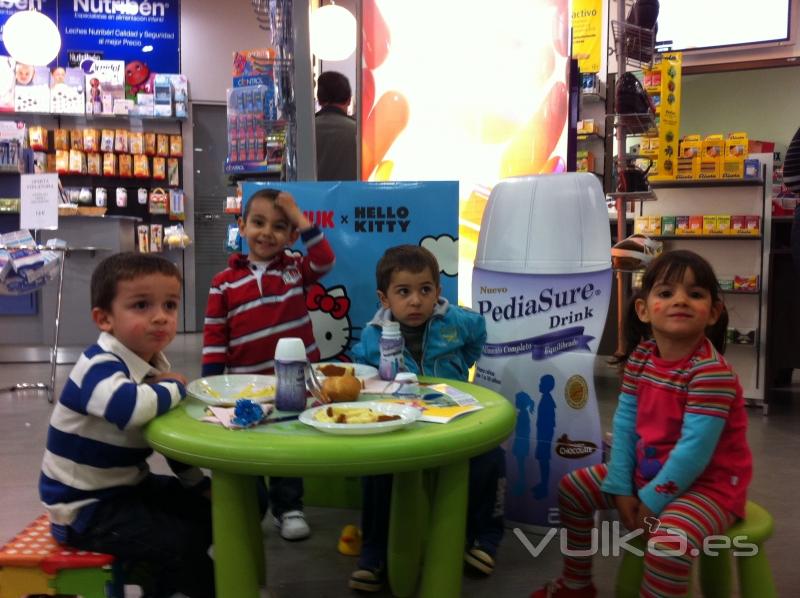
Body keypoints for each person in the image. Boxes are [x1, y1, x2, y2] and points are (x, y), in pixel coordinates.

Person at [531, 250, 752, 598]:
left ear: (713, 312)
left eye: (695, 294)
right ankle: (577, 585)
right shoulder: (642, 358)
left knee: (666, 544)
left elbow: (693, 453)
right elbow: (625, 424)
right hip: (647, 473)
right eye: (666, 292)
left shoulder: (711, 373)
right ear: (643, 309)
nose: (681, 300)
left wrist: (649, 501)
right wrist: (620, 485)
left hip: (709, 486)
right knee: (574, 488)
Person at [39, 253, 215, 598]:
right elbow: (128, 408)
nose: (161, 317)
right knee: (181, 543)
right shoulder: (98, 364)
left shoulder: (153, 365)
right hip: (84, 509)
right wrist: (175, 386)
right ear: (104, 319)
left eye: (170, 305)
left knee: (214, 511)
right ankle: (178, 577)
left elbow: (171, 440)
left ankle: (160, 573)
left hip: (128, 488)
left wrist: (197, 486)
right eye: (141, 306)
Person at [348, 244, 505, 592]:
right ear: (384, 298)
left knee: (490, 456)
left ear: (438, 291)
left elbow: (477, 334)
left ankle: (484, 537)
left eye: (425, 290)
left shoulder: (456, 321)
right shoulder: (373, 336)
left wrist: (461, 367)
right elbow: (364, 371)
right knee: (376, 468)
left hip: (452, 415)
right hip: (400, 422)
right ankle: (374, 552)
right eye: (403, 292)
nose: (416, 301)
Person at [202, 188, 335, 540]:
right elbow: (215, 339)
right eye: (258, 223)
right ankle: (250, 506)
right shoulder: (223, 283)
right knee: (246, 448)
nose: (267, 233)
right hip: (245, 385)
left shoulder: (295, 269)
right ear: (242, 226)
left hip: (294, 382)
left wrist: (301, 217)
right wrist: (209, 388)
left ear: (292, 235)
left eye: (280, 226)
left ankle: (289, 507)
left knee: (286, 445)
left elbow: (324, 259)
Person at [315, 70, 356, 181]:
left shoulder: (302, 132)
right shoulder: (359, 132)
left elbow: (287, 175)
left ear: (319, 100)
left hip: (310, 198)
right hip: (353, 197)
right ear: (348, 100)